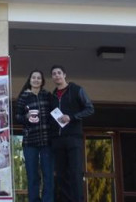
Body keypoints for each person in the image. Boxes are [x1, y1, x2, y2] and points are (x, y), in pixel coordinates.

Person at [49, 65, 94, 202]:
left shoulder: (76, 90)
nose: (57, 75)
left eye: (59, 73)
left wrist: (72, 117)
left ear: (65, 75)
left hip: (73, 138)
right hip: (58, 140)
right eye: (54, 74)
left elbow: (90, 109)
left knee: (75, 173)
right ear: (52, 77)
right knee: (61, 175)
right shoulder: (52, 96)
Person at [15, 69, 54, 202]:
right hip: (30, 142)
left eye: (39, 78)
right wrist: (26, 117)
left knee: (48, 174)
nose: (36, 80)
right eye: (33, 77)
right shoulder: (24, 96)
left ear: (42, 81)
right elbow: (18, 116)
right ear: (30, 80)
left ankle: (47, 200)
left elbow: (55, 113)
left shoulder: (47, 95)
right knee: (32, 175)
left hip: (46, 141)